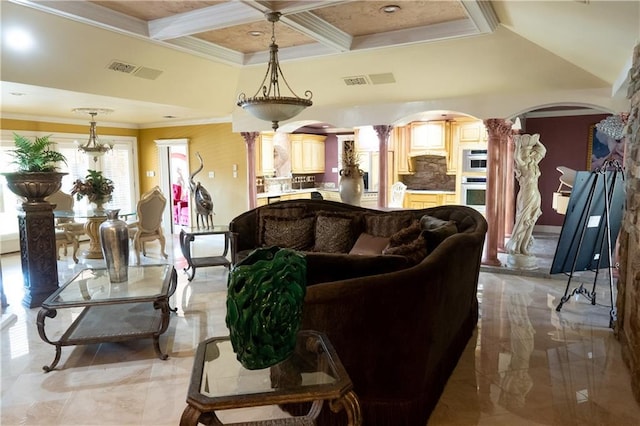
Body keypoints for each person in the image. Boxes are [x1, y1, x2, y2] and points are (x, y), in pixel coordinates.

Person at [506, 134, 547, 256]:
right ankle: (517, 247)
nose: (528, 155)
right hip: (526, 195)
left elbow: (543, 151)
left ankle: (524, 247)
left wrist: (537, 141)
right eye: (526, 154)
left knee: (532, 221)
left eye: (529, 153)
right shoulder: (522, 166)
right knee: (523, 221)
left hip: (536, 194)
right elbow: (517, 157)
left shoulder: (534, 165)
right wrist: (518, 145)